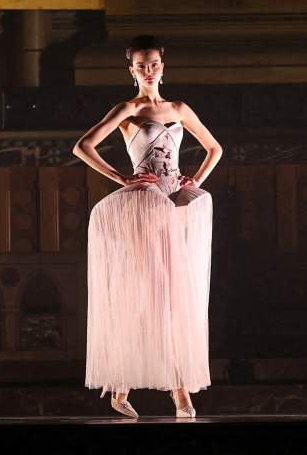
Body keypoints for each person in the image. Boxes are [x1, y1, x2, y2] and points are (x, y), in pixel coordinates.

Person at [73, 35, 222, 418]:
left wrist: (195, 180)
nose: (149, 70)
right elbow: (83, 146)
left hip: (176, 205)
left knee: (175, 296)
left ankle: (172, 391)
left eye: (154, 63)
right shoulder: (128, 109)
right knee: (146, 292)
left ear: (162, 66)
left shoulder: (179, 108)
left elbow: (215, 149)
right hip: (144, 206)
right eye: (141, 65)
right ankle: (135, 388)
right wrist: (123, 178)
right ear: (132, 70)